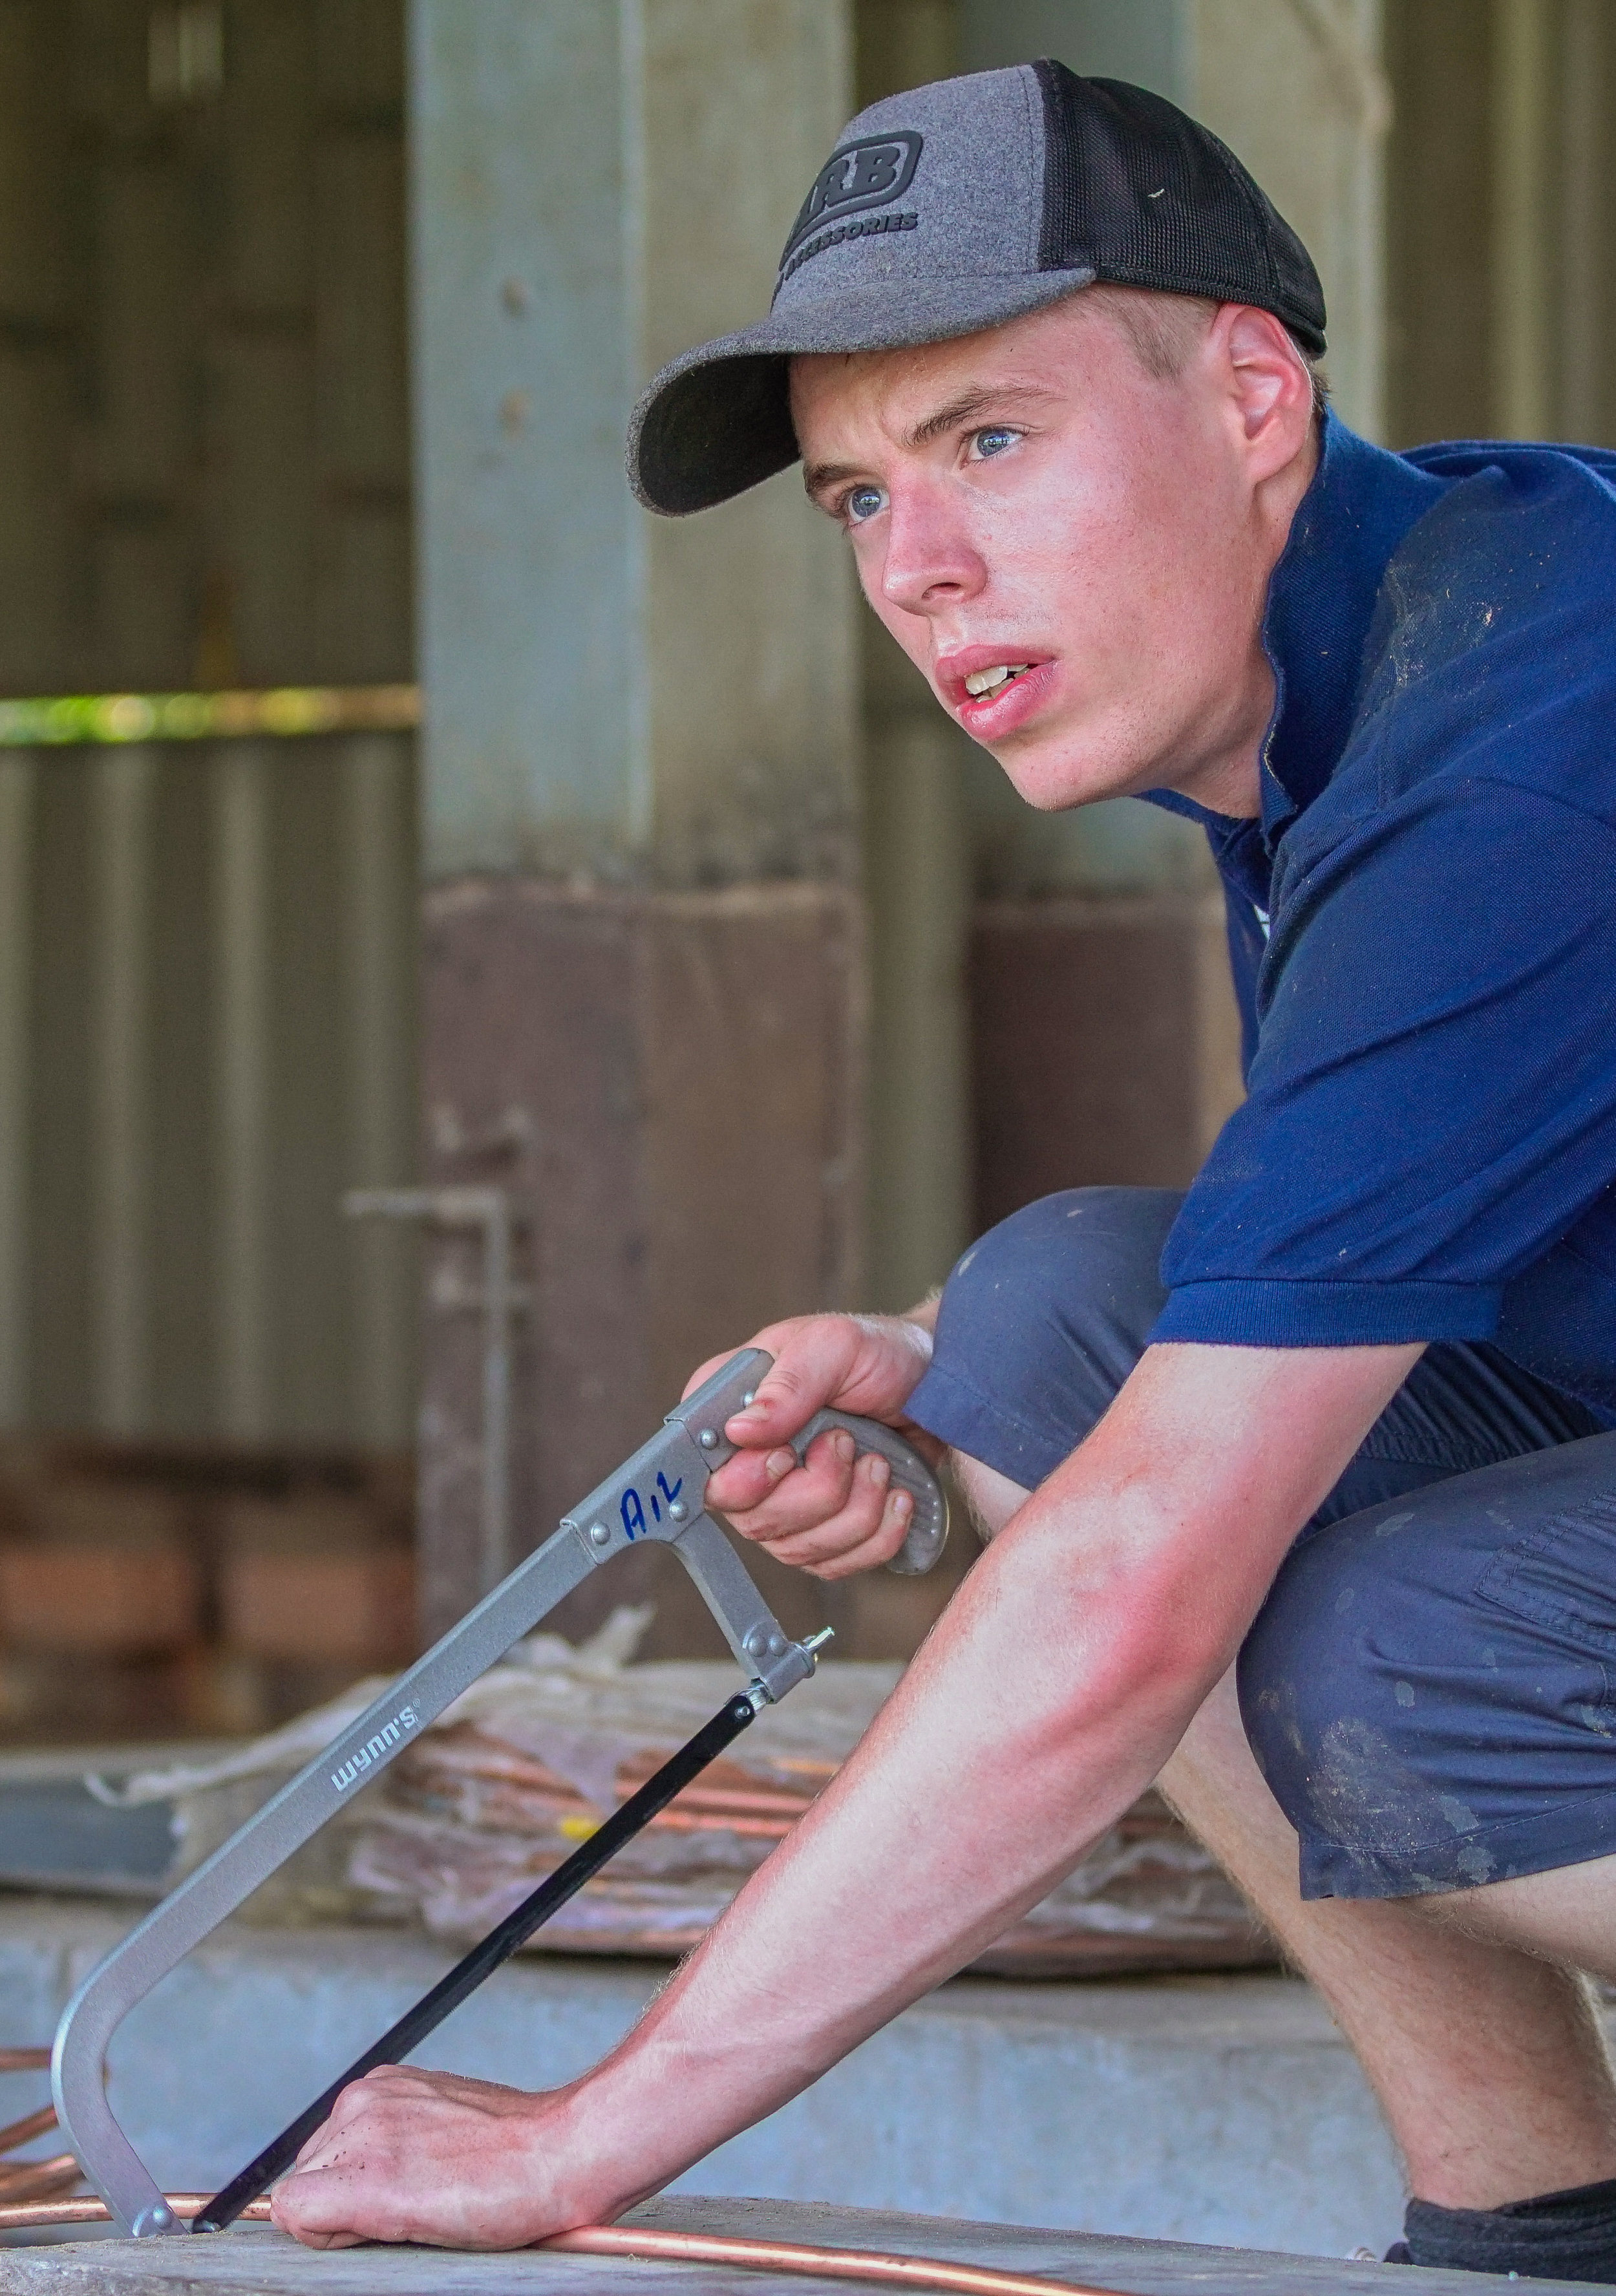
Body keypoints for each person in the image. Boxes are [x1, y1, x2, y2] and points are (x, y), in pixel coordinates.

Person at [274, 65, 1616, 2280]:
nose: (919, 567)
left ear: (1252, 397)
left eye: (989, 439)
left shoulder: (1527, 751)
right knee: (1049, 1327)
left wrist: (578, 2144)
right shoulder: (1361, 665)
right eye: (853, 498)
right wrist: (928, 1364)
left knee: (1402, 1655)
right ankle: (1538, 2217)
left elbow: (1130, 1590)